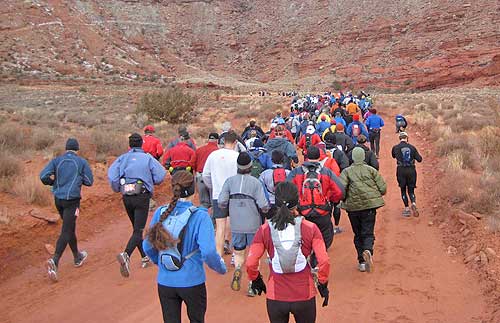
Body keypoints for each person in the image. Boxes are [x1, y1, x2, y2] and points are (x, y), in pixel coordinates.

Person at [143, 171, 227, 323]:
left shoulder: (161, 212)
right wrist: (220, 267)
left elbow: (147, 246)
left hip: (165, 281)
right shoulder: (200, 216)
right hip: (192, 281)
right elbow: (208, 251)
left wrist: (160, 263)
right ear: (193, 190)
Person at [246, 182, 330, 323]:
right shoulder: (310, 228)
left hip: (276, 297)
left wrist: (255, 279)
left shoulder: (265, 229)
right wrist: (322, 283)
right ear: (297, 201)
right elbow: (324, 261)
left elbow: (251, 262)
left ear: (276, 202)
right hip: (304, 295)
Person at [108, 133, 167, 277]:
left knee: (136, 228)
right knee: (138, 230)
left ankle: (144, 257)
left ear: (129, 145)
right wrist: (152, 181)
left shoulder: (121, 159)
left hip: (126, 196)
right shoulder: (147, 158)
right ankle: (126, 255)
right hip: (142, 196)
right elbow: (160, 175)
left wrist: (117, 187)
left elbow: (112, 175)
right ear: (141, 144)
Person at [40, 138, 94, 282]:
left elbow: (43, 176)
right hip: (72, 200)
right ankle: (55, 261)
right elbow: (90, 181)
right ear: (77, 149)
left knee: (69, 227)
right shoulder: (81, 162)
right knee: (66, 229)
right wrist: (79, 180)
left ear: (66, 148)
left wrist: (53, 183)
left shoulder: (57, 160)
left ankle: (77, 256)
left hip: (58, 199)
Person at [218, 152, 270, 296]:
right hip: (253, 224)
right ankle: (252, 285)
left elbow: (221, 202)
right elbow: (264, 205)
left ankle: (238, 268)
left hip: (236, 224)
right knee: (254, 255)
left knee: (239, 252)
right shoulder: (255, 182)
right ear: (250, 166)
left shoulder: (229, 181)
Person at [287, 146, 344, 258]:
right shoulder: (326, 172)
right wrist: (330, 199)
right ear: (320, 156)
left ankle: (307, 258)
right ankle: (317, 259)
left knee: (303, 237)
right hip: (322, 211)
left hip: (303, 212)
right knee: (326, 236)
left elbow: (286, 190)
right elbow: (340, 191)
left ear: (306, 156)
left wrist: (294, 207)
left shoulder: (296, 172)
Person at [340, 147, 387, 272]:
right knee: (368, 232)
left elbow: (341, 190)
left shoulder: (346, 172)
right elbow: (383, 188)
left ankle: (361, 261)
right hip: (369, 206)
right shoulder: (371, 170)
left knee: (358, 233)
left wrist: (345, 199)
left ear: (353, 157)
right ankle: (368, 250)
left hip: (352, 208)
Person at [203, 131, 239, 257]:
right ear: (235, 142)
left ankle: (219, 257)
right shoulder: (237, 156)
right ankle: (235, 255)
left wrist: (212, 186)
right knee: (235, 225)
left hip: (218, 195)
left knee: (220, 226)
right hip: (234, 195)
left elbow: (205, 175)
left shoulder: (213, 155)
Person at [391, 132, 423, 217]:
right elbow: (420, 159)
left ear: (399, 138)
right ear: (407, 138)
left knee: (403, 189)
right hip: (411, 170)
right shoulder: (412, 147)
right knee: (411, 190)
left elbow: (393, 156)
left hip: (401, 170)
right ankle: (413, 203)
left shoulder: (395, 147)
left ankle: (407, 209)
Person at [190, 133, 219, 209]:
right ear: (217, 141)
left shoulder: (199, 150)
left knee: (203, 204)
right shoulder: (218, 151)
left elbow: (192, 163)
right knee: (214, 204)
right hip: (213, 177)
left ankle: (203, 219)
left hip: (200, 176)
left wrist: (197, 171)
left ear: (208, 140)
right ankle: (212, 220)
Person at [259, 150, 291, 220]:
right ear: (283, 160)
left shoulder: (264, 174)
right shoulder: (288, 173)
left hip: (271, 204)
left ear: (271, 160)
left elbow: (261, 190)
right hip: (285, 204)